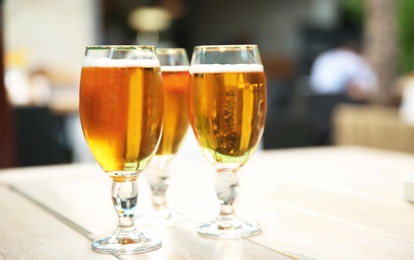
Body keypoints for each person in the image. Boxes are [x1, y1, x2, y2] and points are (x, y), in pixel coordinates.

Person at [310, 36, 378, 101]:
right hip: (336, 98)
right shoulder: (349, 58)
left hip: (318, 96)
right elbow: (370, 83)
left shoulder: (326, 56)